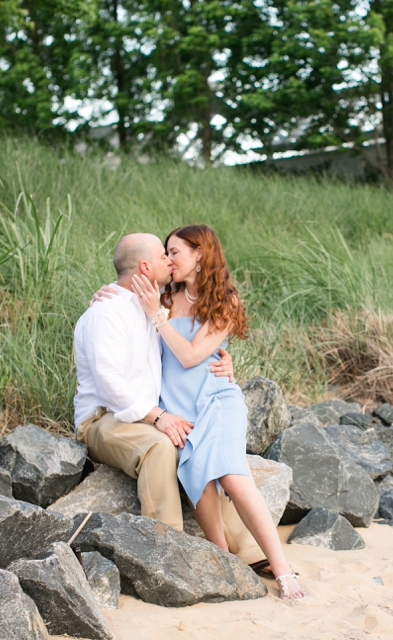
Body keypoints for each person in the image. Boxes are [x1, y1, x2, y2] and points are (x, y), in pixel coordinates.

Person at [130, 224, 306, 600]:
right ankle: (223, 560)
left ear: (199, 254)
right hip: (176, 408)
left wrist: (159, 320)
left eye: (174, 251)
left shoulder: (226, 300)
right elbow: (121, 293)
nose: (168, 259)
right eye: (165, 252)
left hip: (216, 399)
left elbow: (193, 356)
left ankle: (285, 571)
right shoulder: (164, 294)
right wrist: (104, 295)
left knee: (232, 476)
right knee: (198, 477)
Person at [73, 233, 262, 563]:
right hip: (104, 417)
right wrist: (159, 416)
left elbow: (189, 341)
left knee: (199, 444)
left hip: (145, 414)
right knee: (161, 446)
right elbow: (108, 386)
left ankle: (246, 550)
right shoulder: (107, 313)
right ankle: (168, 553)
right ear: (146, 267)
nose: (169, 261)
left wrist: (222, 360)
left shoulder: (155, 303)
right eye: (164, 256)